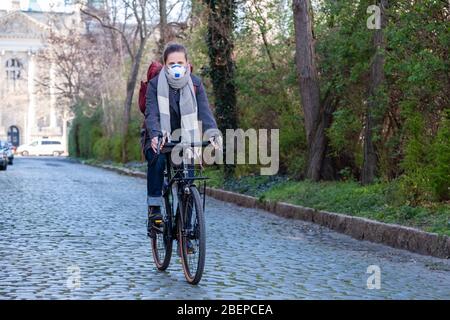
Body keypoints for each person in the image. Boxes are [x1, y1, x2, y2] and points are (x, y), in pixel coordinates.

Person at [142, 43, 219, 239]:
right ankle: (155, 210)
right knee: (157, 159)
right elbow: (152, 114)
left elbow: (205, 112)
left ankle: (186, 230)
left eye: (180, 62)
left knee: (189, 179)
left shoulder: (195, 84)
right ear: (165, 65)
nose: (176, 66)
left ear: (187, 64)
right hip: (158, 135)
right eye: (171, 63)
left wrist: (212, 134)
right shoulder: (154, 84)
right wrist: (155, 135)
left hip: (185, 138)